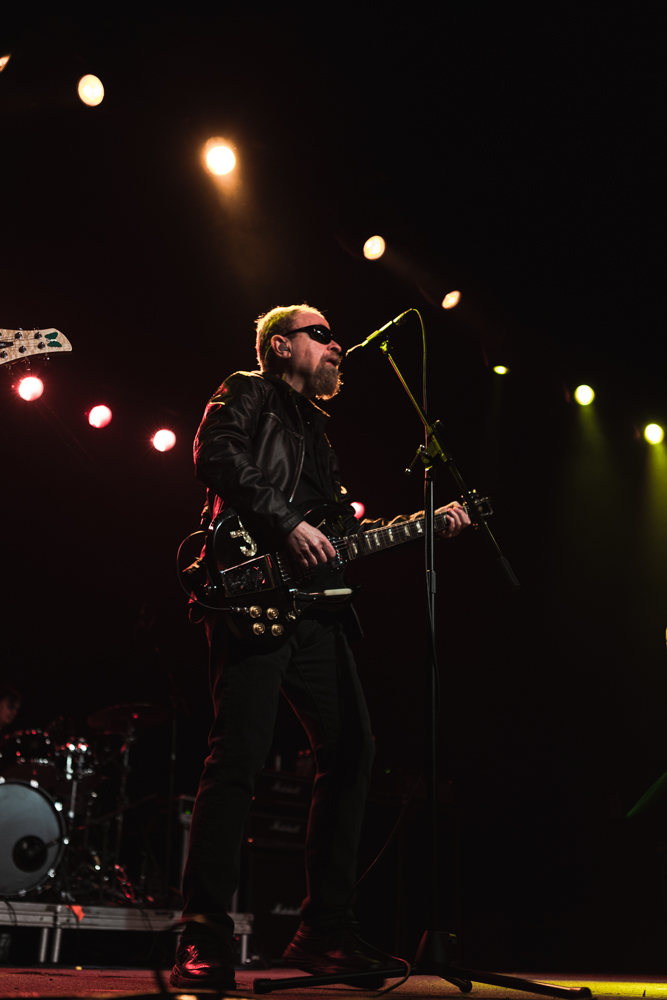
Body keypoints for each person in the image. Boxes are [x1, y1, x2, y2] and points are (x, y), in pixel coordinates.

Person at [170, 304, 470, 990]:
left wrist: (423, 525)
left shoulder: (317, 431)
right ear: (281, 346)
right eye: (322, 335)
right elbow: (214, 455)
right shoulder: (247, 390)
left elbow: (336, 536)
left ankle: (324, 930)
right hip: (249, 592)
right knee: (238, 756)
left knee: (353, 750)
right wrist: (284, 523)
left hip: (312, 610)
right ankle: (203, 934)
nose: (338, 346)